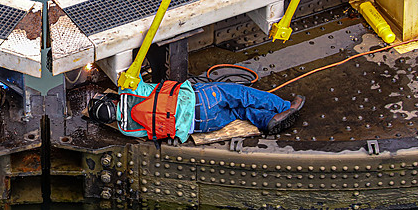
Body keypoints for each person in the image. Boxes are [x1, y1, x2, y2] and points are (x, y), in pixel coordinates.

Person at [87, 77, 303, 143]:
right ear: (110, 100)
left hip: (201, 126)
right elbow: (132, 73)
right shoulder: (129, 92)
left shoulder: (126, 130)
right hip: (200, 100)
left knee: (239, 112)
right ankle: (284, 107)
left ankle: (268, 121)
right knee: (241, 95)